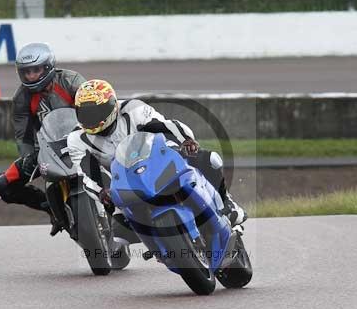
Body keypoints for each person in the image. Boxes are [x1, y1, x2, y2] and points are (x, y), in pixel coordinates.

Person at [66, 79, 246, 232]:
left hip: (158, 160)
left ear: (111, 105)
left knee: (208, 159)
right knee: (118, 236)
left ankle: (227, 203)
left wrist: (186, 141)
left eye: (95, 112)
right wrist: (102, 192)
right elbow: (86, 174)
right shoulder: (76, 138)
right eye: (84, 112)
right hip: (124, 183)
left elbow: (166, 125)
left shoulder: (133, 109)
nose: (90, 118)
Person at [0, 42, 85, 234]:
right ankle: (51, 208)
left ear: (48, 66)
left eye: (35, 70)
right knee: (4, 186)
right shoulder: (21, 98)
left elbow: (92, 108)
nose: (31, 76)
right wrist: (27, 156)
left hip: (84, 139)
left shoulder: (71, 81)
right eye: (26, 72)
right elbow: (23, 135)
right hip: (47, 149)